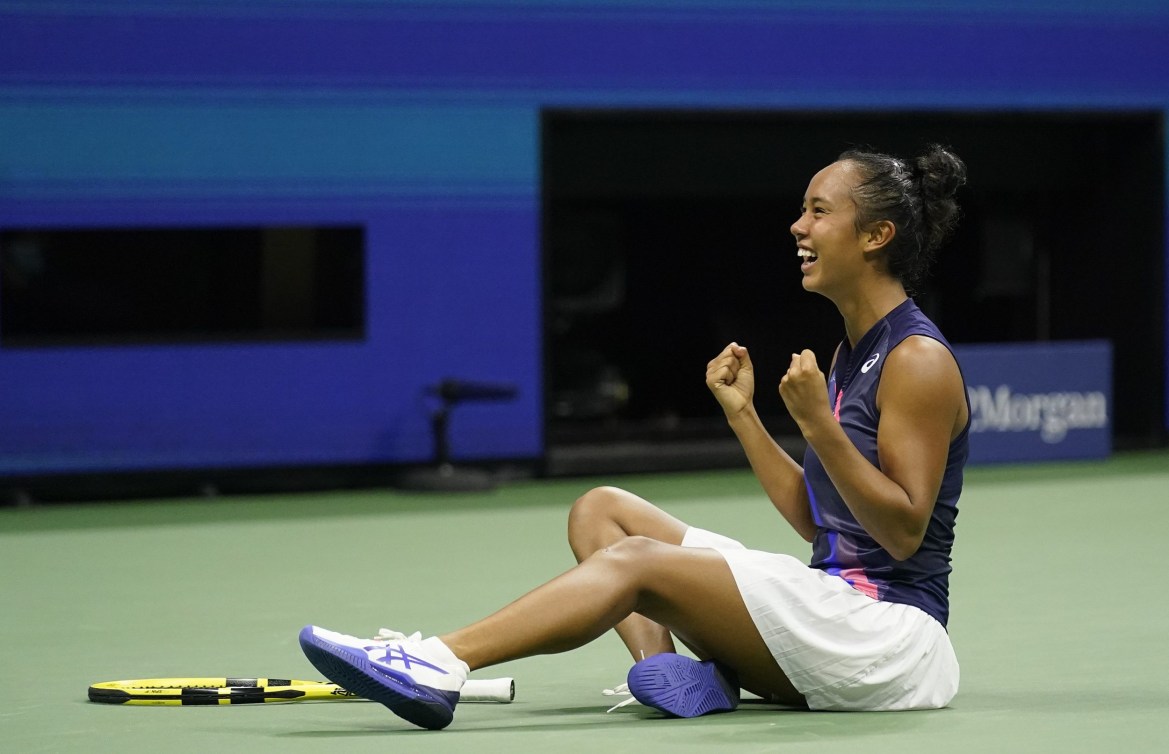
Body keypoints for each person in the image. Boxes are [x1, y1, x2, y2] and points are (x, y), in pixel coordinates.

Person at [299, 144, 971, 730]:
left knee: (638, 562)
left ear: (876, 235)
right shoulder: (848, 352)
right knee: (602, 510)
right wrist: (744, 414)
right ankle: (672, 676)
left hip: (889, 641)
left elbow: (902, 533)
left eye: (819, 211)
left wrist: (817, 427)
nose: (797, 225)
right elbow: (816, 522)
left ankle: (438, 663)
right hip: (828, 612)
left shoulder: (916, 360)